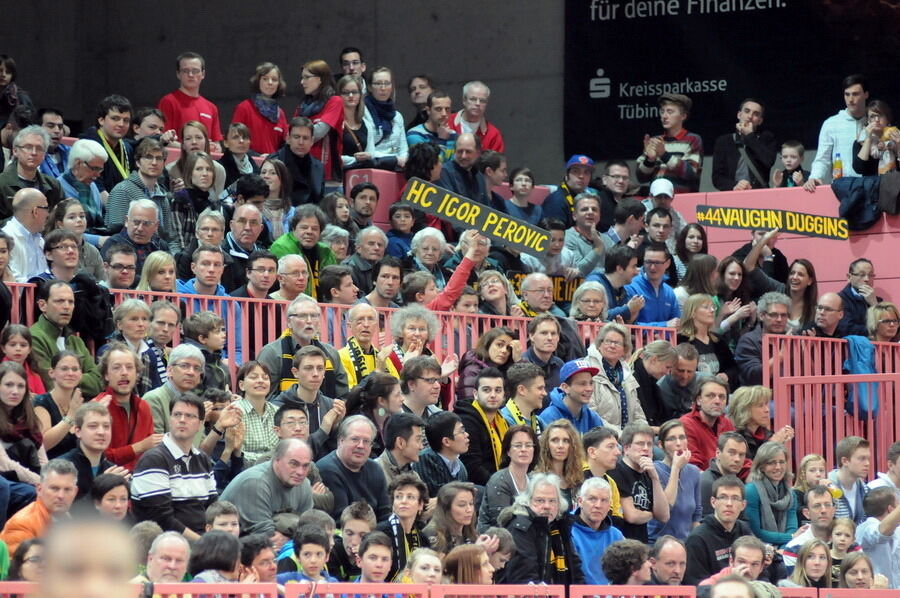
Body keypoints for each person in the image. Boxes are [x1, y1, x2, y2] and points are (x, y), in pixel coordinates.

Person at [131, 393, 216, 540]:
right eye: (177, 414)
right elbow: (161, 520)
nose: (182, 420)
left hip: (202, 540)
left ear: (200, 424)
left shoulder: (202, 459)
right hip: (166, 542)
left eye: (189, 416)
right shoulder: (153, 460)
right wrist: (202, 542)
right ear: (170, 419)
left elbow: (213, 507)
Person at [257, 294, 349, 399]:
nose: (309, 321)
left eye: (314, 316)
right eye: (302, 316)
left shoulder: (331, 353)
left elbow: (343, 396)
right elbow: (263, 398)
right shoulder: (272, 353)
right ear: (289, 322)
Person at [499, 472, 583, 585]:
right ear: (527, 502)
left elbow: (575, 571)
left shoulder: (560, 526)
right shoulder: (520, 527)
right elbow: (524, 578)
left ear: (559, 504)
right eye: (540, 500)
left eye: (552, 501)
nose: (547, 506)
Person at [219, 438, 314, 536]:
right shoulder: (255, 482)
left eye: (305, 466)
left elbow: (307, 527)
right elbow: (263, 534)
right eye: (293, 464)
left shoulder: (304, 484)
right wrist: (292, 538)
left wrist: (288, 538)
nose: (300, 472)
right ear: (277, 460)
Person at [29, 280, 103, 397]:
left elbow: (98, 382)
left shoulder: (75, 340)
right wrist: (80, 377)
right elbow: (51, 384)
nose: (67, 307)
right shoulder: (33, 337)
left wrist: (66, 378)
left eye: (71, 302)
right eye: (60, 301)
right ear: (42, 305)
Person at [316, 415, 390, 520]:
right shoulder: (327, 470)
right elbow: (342, 520)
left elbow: (385, 513)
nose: (361, 446)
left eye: (366, 441)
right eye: (355, 439)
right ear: (341, 440)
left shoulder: (375, 469)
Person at [684, 475, 754, 585]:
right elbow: (696, 585)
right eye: (723, 497)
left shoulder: (743, 529)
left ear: (743, 505)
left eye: (735, 498)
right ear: (713, 502)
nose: (729, 504)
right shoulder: (697, 539)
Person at [805, 74, 870, 191]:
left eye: (855, 94)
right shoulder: (831, 124)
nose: (850, 99)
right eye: (847, 94)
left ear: (866, 94)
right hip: (843, 189)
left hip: (871, 187)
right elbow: (823, 158)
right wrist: (815, 177)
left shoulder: (875, 122)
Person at [608, 423, 670, 544]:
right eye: (640, 443)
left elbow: (664, 516)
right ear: (626, 448)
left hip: (642, 544)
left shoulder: (650, 474)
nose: (646, 448)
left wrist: (655, 478)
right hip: (622, 544)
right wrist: (653, 514)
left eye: (649, 444)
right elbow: (631, 516)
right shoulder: (616, 471)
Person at [0, 459, 77, 555]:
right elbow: (17, 564)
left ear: (75, 492)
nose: (61, 496)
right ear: (39, 489)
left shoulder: (67, 519)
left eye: (67, 489)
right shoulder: (21, 525)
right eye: (54, 488)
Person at [637, 93, 703, 193]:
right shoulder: (655, 141)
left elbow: (691, 173)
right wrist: (650, 160)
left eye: (670, 112)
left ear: (683, 116)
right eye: (662, 111)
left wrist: (664, 155)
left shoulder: (693, 139)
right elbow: (641, 178)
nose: (664, 116)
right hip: (656, 199)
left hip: (683, 198)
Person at [453, 368, 508, 486]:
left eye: (498, 390)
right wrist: (501, 486)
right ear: (475, 394)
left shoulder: (502, 421)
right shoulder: (466, 421)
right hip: (477, 487)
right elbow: (473, 468)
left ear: (504, 395)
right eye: (486, 390)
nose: (493, 395)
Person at [478, 425, 538, 531]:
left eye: (528, 445)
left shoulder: (534, 480)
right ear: (508, 451)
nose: (524, 449)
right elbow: (501, 523)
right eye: (518, 445)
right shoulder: (499, 481)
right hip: (496, 537)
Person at [650, 419, 702, 542]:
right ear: (660, 445)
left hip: (685, 543)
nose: (678, 443)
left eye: (682, 437)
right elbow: (666, 508)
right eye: (671, 439)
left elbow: (696, 515)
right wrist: (676, 468)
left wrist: (695, 544)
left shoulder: (694, 472)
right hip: (658, 543)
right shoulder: (654, 470)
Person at [269, 205, 337, 299]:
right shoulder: (282, 246)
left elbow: (334, 283)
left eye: (315, 228)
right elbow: (291, 284)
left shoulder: (325, 251)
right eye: (304, 227)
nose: (309, 232)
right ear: (294, 228)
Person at [58, 402, 122, 500]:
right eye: (93, 426)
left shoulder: (113, 470)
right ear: (78, 431)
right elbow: (61, 507)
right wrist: (102, 487)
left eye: (106, 426)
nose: (101, 432)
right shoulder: (61, 467)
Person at [586, 323, 644, 432]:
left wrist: (643, 432)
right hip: (599, 435)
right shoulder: (588, 370)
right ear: (599, 344)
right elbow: (590, 415)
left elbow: (637, 413)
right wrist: (620, 434)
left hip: (627, 436)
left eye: (617, 343)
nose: (612, 346)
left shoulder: (627, 374)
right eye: (608, 341)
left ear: (624, 349)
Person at [158, 52, 222, 149]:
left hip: (205, 158)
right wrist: (195, 148)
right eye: (185, 71)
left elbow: (218, 145)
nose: (191, 75)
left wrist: (214, 148)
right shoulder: (168, 102)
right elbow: (163, 139)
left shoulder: (211, 107)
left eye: (195, 71)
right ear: (178, 74)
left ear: (203, 74)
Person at [712, 99, 778, 191]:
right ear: (739, 115)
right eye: (747, 111)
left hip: (758, 192)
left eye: (756, 114)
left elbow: (768, 161)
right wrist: (734, 185)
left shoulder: (766, 138)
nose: (750, 116)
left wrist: (750, 136)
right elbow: (717, 178)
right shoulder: (723, 141)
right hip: (732, 193)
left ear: (760, 121)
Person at [0, 125, 62, 222]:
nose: (34, 153)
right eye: (28, 147)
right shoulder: (2, 183)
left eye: (39, 148)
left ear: (44, 155)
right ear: (15, 151)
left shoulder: (53, 185)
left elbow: (60, 219)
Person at [742, 441, 798, 547]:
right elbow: (756, 532)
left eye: (782, 462)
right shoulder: (751, 491)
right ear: (761, 466)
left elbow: (792, 529)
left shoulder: (791, 494)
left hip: (784, 547)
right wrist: (789, 538)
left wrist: (782, 550)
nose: (778, 467)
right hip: (756, 547)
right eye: (772, 463)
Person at [294, 59, 343, 180]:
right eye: (302, 78)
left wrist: (296, 137)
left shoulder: (335, 101)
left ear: (320, 79)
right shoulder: (302, 105)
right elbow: (290, 134)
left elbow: (319, 132)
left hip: (325, 172)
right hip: (300, 167)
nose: (302, 82)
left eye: (306, 77)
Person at [375, 472, 430, 580]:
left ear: (420, 505)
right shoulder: (380, 533)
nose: (403, 501)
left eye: (410, 497)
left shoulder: (423, 540)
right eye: (398, 497)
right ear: (393, 504)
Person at [570, 477, 624, 584]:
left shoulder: (616, 536)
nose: (598, 505)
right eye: (592, 499)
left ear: (609, 505)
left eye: (604, 500)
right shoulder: (566, 530)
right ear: (580, 501)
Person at [678, 294, 739, 383]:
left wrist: (726, 375)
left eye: (713, 307)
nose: (712, 310)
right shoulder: (680, 340)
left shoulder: (718, 341)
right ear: (693, 313)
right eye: (706, 307)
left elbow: (733, 368)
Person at [231, 62, 289, 154]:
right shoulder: (244, 108)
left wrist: (272, 158)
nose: (270, 83)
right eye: (265, 79)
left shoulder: (280, 114)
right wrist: (258, 157)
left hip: (273, 162)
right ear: (258, 81)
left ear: (279, 84)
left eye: (274, 79)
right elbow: (234, 141)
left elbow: (285, 145)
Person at [735, 292, 791, 386]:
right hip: (758, 394)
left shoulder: (791, 339)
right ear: (761, 316)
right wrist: (780, 355)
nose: (779, 319)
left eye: (784, 315)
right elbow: (754, 376)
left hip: (789, 394)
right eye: (773, 315)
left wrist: (804, 352)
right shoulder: (748, 340)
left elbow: (808, 375)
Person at [680, 376, 737, 470]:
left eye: (722, 397)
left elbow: (739, 457)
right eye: (711, 396)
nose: (717, 401)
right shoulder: (686, 424)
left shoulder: (727, 423)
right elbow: (692, 467)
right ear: (699, 400)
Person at [101, 199, 171, 274]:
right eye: (136, 222)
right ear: (127, 221)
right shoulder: (113, 244)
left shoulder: (161, 246)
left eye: (146, 224)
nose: (140, 228)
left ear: (156, 225)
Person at [56, 139, 108, 239]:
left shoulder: (92, 185)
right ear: (78, 164)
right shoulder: (58, 187)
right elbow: (60, 231)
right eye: (94, 168)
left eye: (100, 169)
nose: (98, 174)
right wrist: (98, 240)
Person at [728, 385, 795, 463]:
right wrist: (771, 446)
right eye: (760, 406)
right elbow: (748, 468)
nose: (767, 410)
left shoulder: (767, 434)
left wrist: (779, 444)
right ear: (745, 410)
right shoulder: (734, 437)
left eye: (766, 404)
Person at [339, 303, 399, 389]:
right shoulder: (341, 357)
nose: (366, 324)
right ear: (349, 326)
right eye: (360, 319)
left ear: (376, 326)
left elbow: (396, 389)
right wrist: (378, 371)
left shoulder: (382, 358)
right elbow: (350, 393)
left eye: (370, 319)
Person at [343, 372, 403, 457]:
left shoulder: (391, 421)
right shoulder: (360, 426)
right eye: (397, 395)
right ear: (381, 401)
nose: (402, 399)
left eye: (401, 394)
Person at [412, 411, 469, 500]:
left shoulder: (460, 468)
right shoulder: (425, 460)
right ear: (446, 441)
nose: (467, 435)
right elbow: (438, 498)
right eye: (462, 431)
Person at [44, 198, 104, 281]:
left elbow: (103, 281)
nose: (79, 220)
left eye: (82, 216)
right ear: (60, 224)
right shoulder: (53, 247)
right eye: (72, 217)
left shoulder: (93, 251)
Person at [539, 358, 605, 434]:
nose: (589, 389)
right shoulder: (549, 417)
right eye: (582, 384)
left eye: (591, 383)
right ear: (565, 387)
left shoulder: (592, 417)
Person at [457, 327, 520, 403]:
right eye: (499, 345)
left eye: (508, 348)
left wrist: (519, 361)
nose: (504, 351)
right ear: (487, 345)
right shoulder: (472, 369)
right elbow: (468, 403)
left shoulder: (508, 370)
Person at [625, 242, 681, 327]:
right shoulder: (631, 286)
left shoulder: (669, 292)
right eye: (648, 262)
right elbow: (628, 324)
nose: (652, 267)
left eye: (657, 263)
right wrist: (664, 325)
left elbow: (676, 323)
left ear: (667, 263)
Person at [273, 116, 325, 206]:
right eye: (296, 137)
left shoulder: (319, 166)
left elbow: (320, 200)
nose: (301, 142)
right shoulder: (274, 162)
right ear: (288, 138)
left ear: (312, 141)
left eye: (305, 138)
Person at [364, 67, 409, 170]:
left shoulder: (397, 116)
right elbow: (366, 151)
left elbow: (403, 148)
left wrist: (403, 158)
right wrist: (394, 159)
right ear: (370, 87)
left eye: (387, 83)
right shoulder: (363, 113)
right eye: (378, 83)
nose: (383, 88)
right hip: (373, 167)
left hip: (397, 167)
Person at [855, 486, 900, 588]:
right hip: (874, 591)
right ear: (891, 510)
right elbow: (880, 533)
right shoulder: (865, 528)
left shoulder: (897, 529)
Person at [533, 420, 585, 508]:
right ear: (546, 444)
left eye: (566, 441)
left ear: (572, 445)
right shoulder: (536, 480)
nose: (560, 445)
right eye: (555, 440)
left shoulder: (577, 479)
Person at [1, 188, 49, 281]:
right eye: (46, 208)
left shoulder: (40, 240)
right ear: (35, 212)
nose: (48, 214)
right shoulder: (6, 239)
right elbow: (13, 281)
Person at [631, 341, 678, 430]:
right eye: (667, 367)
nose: (667, 373)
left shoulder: (652, 381)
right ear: (654, 359)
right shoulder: (633, 380)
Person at [699, 433, 749, 516]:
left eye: (741, 454)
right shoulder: (706, 483)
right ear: (718, 453)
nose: (737, 459)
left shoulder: (738, 482)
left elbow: (742, 518)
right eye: (732, 453)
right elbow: (705, 521)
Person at [449, 81, 504, 152]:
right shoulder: (447, 123)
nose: (478, 104)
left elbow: (497, 158)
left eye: (482, 101)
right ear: (464, 100)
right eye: (473, 99)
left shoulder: (493, 134)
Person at [542, 154, 595, 228]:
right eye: (576, 171)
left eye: (586, 172)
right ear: (567, 175)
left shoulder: (587, 197)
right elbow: (554, 234)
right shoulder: (556, 201)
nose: (581, 176)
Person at [828, 436, 871, 525]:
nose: (867, 463)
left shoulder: (865, 490)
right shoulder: (827, 487)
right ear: (845, 461)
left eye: (868, 459)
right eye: (862, 458)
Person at [374, 413, 425, 486]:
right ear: (400, 443)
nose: (421, 447)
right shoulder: (374, 472)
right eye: (418, 440)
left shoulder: (414, 477)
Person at [406, 91, 457, 161]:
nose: (444, 114)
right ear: (428, 110)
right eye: (438, 109)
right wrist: (442, 140)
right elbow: (429, 165)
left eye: (447, 109)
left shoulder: (453, 134)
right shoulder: (414, 135)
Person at [697, 535, 767, 585]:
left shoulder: (767, 590)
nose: (747, 569)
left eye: (754, 564)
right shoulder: (709, 586)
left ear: (761, 567)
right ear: (731, 562)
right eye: (742, 562)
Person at [853, 99, 899, 175]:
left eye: (880, 115)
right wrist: (868, 138)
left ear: (887, 119)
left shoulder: (896, 138)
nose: (877, 120)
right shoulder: (860, 141)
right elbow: (859, 169)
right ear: (868, 121)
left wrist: (899, 146)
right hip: (871, 182)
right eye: (872, 116)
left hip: (893, 181)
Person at [838, 258, 880, 337]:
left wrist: (874, 305)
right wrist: (875, 332)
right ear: (849, 277)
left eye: (871, 275)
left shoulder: (878, 301)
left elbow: (889, 325)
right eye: (862, 275)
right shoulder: (840, 300)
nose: (867, 279)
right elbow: (847, 328)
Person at [500, 362, 546, 432]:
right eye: (540, 388)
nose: (545, 393)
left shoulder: (539, 422)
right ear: (521, 390)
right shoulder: (503, 421)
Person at [659, 343, 700, 420]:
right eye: (680, 371)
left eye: (690, 371)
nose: (685, 376)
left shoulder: (706, 385)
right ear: (671, 366)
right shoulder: (660, 388)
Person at [343, 226, 388, 296]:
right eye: (371, 244)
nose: (377, 248)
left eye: (380, 245)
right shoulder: (347, 268)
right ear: (358, 248)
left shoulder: (386, 267)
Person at [399, 356, 443, 421]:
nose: (437, 386)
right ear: (411, 384)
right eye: (430, 380)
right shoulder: (391, 418)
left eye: (438, 380)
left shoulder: (439, 417)